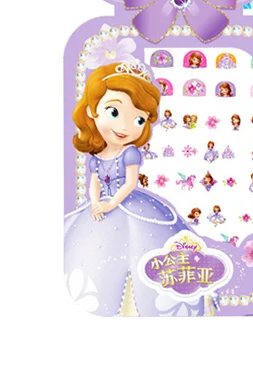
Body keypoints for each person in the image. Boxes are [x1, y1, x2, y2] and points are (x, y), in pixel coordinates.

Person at [64, 62, 203, 316]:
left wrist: (110, 204)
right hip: (100, 206)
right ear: (93, 111)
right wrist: (95, 202)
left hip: (125, 203)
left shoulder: (130, 153)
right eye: (114, 112)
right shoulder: (97, 156)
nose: (126, 127)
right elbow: (94, 182)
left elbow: (130, 183)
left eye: (139, 119)